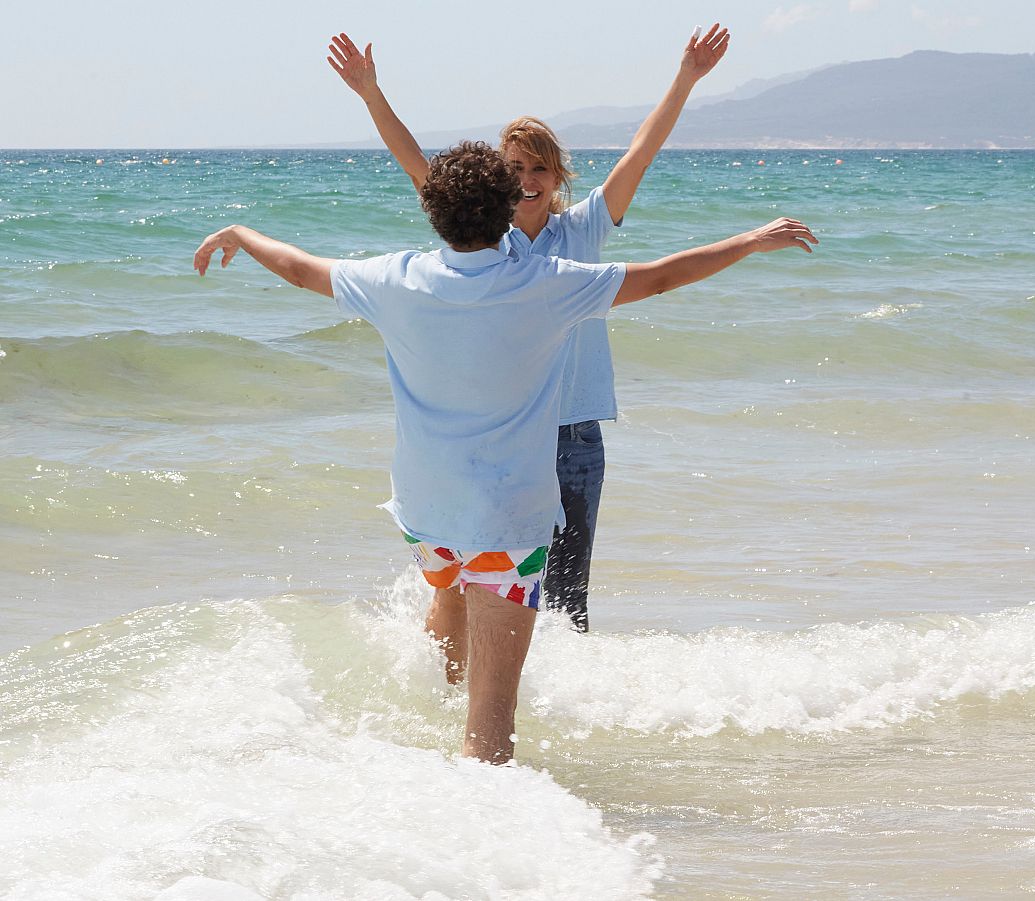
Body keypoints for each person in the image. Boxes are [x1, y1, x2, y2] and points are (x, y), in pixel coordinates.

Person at [194, 141, 817, 763]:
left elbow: (303, 269)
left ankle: (425, 741)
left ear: (433, 213)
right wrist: (750, 241)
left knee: (448, 603)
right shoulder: (545, 284)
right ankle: (480, 834)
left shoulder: (392, 278)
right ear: (508, 207)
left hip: (425, 513)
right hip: (507, 522)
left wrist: (244, 233)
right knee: (489, 733)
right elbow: (660, 277)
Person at [327, 26, 730, 633]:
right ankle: (472, 688)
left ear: (557, 175)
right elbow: (418, 165)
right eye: (514, 167)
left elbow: (638, 156)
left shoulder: (584, 230)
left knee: (569, 594)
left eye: (539, 168)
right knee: (485, 591)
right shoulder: (485, 239)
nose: (527, 179)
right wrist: (369, 93)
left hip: (572, 435)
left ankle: (559, 706)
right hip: (504, 441)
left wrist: (686, 79)